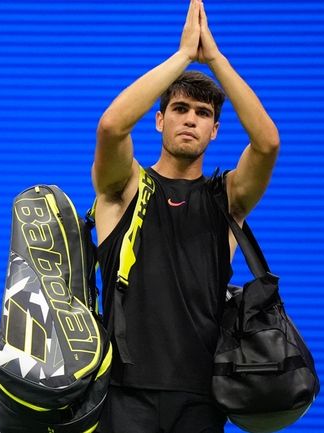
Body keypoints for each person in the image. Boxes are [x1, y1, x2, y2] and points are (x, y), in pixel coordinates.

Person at [91, 0, 280, 431]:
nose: (191, 119)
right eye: (180, 109)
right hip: (122, 393)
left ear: (215, 130)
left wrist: (213, 58)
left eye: (204, 113)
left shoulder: (227, 197)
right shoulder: (125, 187)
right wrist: (181, 58)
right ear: (159, 120)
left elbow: (267, 142)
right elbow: (111, 127)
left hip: (200, 398)